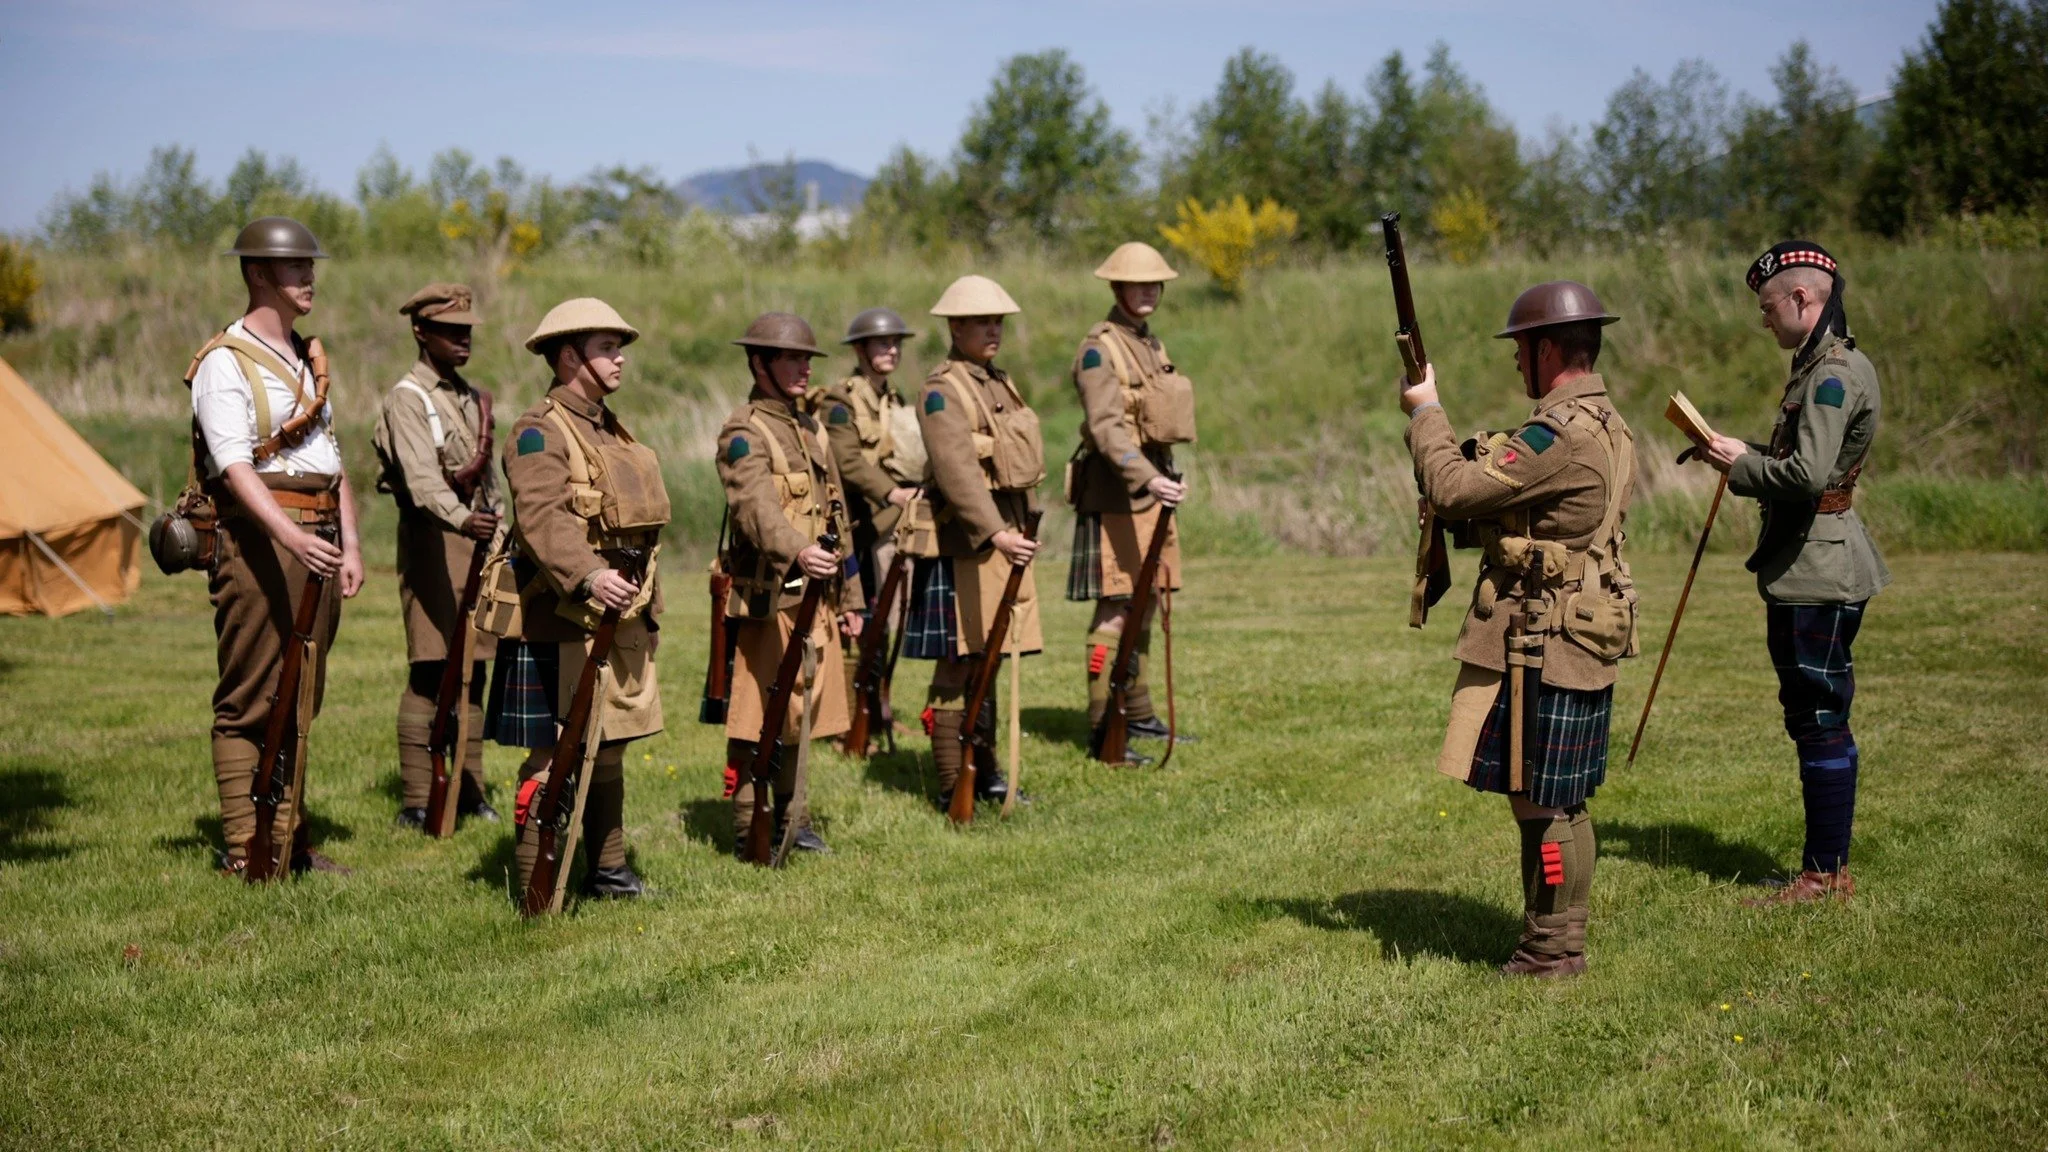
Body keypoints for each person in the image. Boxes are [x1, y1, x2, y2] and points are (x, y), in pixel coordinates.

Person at [1400, 281, 1639, 976]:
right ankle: (1555, 940)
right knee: (1557, 794)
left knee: (1545, 798)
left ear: (1547, 349)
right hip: (1575, 624)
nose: (1514, 363)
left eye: (1521, 349)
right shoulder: (1606, 422)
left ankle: (1551, 950)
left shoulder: (1558, 434)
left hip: (1547, 634)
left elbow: (1452, 489)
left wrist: (1427, 411)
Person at [1692, 242, 1888, 906]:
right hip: (1814, 562)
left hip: (1818, 567)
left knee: (1820, 716)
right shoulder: (1822, 367)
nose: (1764, 320)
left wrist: (1739, 470)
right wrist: (1737, 451)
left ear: (1804, 299)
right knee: (1814, 714)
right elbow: (1803, 458)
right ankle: (1824, 868)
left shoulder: (1832, 375)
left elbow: (1806, 477)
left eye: (1768, 307)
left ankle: (1824, 875)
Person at [186, 216, 364, 875]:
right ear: (257, 274)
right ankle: (246, 849)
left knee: (300, 693)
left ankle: (286, 842)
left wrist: (348, 544)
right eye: (294, 267)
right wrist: (293, 538)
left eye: (310, 266)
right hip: (262, 541)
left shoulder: (307, 358)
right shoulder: (223, 364)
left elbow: (332, 460)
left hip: (317, 539)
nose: (308, 276)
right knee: (251, 697)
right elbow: (235, 467)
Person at [486, 298, 667, 901]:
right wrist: (589, 576)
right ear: (569, 356)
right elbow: (541, 519)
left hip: (617, 616)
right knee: (552, 754)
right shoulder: (538, 429)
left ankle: (608, 869)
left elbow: (639, 531)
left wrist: (651, 608)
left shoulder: (610, 428)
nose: (619, 360)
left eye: (619, 348)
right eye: (606, 348)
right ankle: (537, 887)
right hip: (557, 617)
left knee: (608, 743)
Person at [714, 312, 863, 858]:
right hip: (768, 599)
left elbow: (836, 518)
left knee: (802, 712)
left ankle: (793, 823)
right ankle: (748, 827)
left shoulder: (811, 428)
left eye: (807, 359)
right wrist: (796, 549)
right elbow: (754, 508)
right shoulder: (742, 433)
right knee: (759, 714)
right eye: (791, 358)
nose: (803, 368)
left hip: (817, 595)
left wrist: (852, 597)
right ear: (759, 363)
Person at [904, 275, 1045, 812]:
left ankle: (985, 770)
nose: (993, 330)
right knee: (959, 664)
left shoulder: (997, 382)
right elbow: (957, 471)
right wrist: (998, 532)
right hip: (964, 543)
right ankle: (949, 782)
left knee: (991, 656)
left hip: (1004, 536)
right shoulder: (942, 389)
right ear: (955, 326)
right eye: (982, 322)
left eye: (998, 321)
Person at [372, 283, 501, 830]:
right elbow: (422, 480)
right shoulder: (410, 397)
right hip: (434, 539)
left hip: (476, 541)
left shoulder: (468, 397)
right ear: (421, 332)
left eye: (467, 329)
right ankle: (419, 798)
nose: (463, 339)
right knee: (430, 668)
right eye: (451, 331)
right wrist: (464, 519)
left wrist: (494, 530)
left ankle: (470, 790)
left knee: (474, 668)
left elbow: (486, 477)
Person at [1064, 242, 1198, 752]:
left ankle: (1137, 714)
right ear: (1116, 288)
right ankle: (1104, 727)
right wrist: (1147, 477)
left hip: (1153, 489)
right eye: (1137, 284)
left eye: (1154, 283)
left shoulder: (1149, 344)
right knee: (1118, 604)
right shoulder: (1099, 348)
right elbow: (1105, 429)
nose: (1147, 291)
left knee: (1148, 601)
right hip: (1119, 493)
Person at [807, 308, 925, 724]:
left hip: (889, 523)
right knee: (858, 620)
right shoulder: (840, 401)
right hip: (857, 523)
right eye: (881, 343)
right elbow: (846, 461)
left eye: (896, 342)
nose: (891, 349)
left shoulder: (893, 399)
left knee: (884, 621)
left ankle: (876, 709)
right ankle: (850, 715)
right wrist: (893, 492)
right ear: (860, 349)